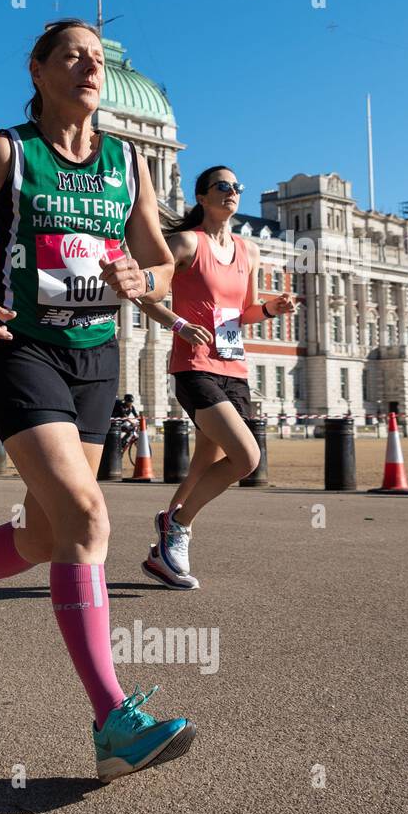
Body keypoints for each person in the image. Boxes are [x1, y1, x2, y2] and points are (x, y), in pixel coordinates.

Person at [0, 19, 195, 783]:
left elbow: (161, 262)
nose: (90, 66)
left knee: (46, 529)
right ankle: (113, 721)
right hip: (15, 347)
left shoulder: (128, 162)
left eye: (98, 57)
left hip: (94, 356)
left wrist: (145, 280)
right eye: (74, 55)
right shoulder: (7, 152)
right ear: (37, 70)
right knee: (89, 518)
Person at [138, 165, 298, 589]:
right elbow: (144, 292)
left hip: (234, 366)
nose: (232, 193)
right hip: (194, 365)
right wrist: (179, 326)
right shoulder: (187, 243)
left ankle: (163, 557)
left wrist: (269, 310)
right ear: (202, 197)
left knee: (202, 465)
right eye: (222, 187)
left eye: (236, 187)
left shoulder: (249, 251)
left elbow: (242, 311)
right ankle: (179, 523)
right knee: (247, 458)